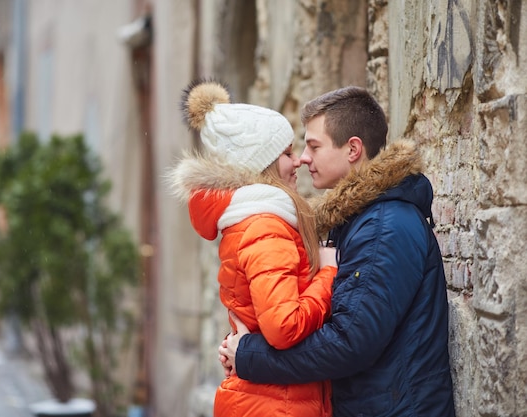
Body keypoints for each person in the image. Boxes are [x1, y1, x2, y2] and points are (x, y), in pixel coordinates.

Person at [219, 86, 456, 417]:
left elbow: (350, 343)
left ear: (353, 149)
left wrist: (250, 355)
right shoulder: (360, 220)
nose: (303, 157)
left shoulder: (384, 227)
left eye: (314, 146)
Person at [169, 79, 338, 417]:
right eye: (287, 153)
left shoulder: (255, 220)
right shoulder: (264, 224)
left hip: (270, 397)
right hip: (275, 404)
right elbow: (283, 325)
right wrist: (329, 272)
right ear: (264, 164)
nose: (298, 162)